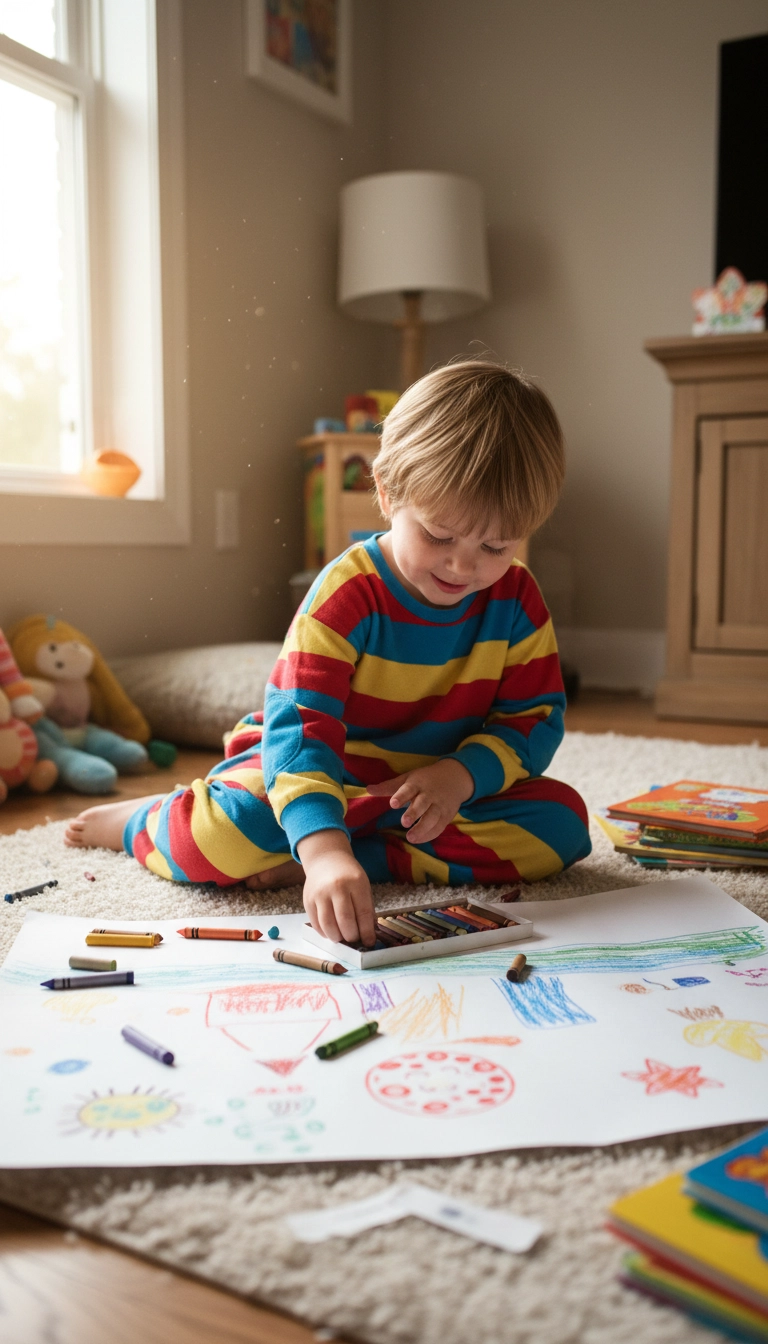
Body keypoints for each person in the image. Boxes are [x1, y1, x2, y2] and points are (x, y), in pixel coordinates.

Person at [65, 360, 591, 946]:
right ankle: (143, 822)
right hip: (316, 774)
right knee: (218, 836)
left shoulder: (516, 598)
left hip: (429, 797)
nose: (463, 565)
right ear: (388, 494)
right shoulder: (348, 593)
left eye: (496, 545)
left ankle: (363, 857)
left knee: (562, 825)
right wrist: (321, 849)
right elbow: (300, 732)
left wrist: (459, 775)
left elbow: (534, 720)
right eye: (439, 535)